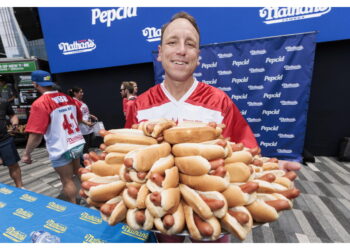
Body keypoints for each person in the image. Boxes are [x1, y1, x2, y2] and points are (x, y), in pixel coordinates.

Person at [125, 11, 301, 243]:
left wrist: (272, 167)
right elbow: (128, 156)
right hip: (160, 209)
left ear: (198, 56)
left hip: (214, 211)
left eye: (190, 44)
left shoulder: (219, 102)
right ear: (160, 53)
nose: (181, 50)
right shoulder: (140, 105)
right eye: (172, 42)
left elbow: (245, 152)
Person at [21, 70, 85, 204]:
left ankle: (74, 209)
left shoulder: (40, 103)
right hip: (76, 141)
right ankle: (92, 200)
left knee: (67, 180)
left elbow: (36, 134)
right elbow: (78, 119)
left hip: (60, 146)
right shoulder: (69, 98)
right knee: (78, 173)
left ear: (35, 84)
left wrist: (27, 153)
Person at [0, 97, 23, 188]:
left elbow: (12, 115)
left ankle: (20, 188)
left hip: (5, 140)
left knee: (13, 165)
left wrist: (15, 124)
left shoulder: (3, 102)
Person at [68, 87, 97, 154]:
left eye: (82, 92)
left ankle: (85, 160)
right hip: (82, 129)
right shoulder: (74, 102)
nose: (82, 94)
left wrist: (91, 115)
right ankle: (83, 162)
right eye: (80, 92)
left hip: (86, 128)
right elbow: (76, 117)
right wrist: (87, 123)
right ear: (75, 93)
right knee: (84, 149)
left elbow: (83, 113)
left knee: (87, 147)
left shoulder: (79, 101)